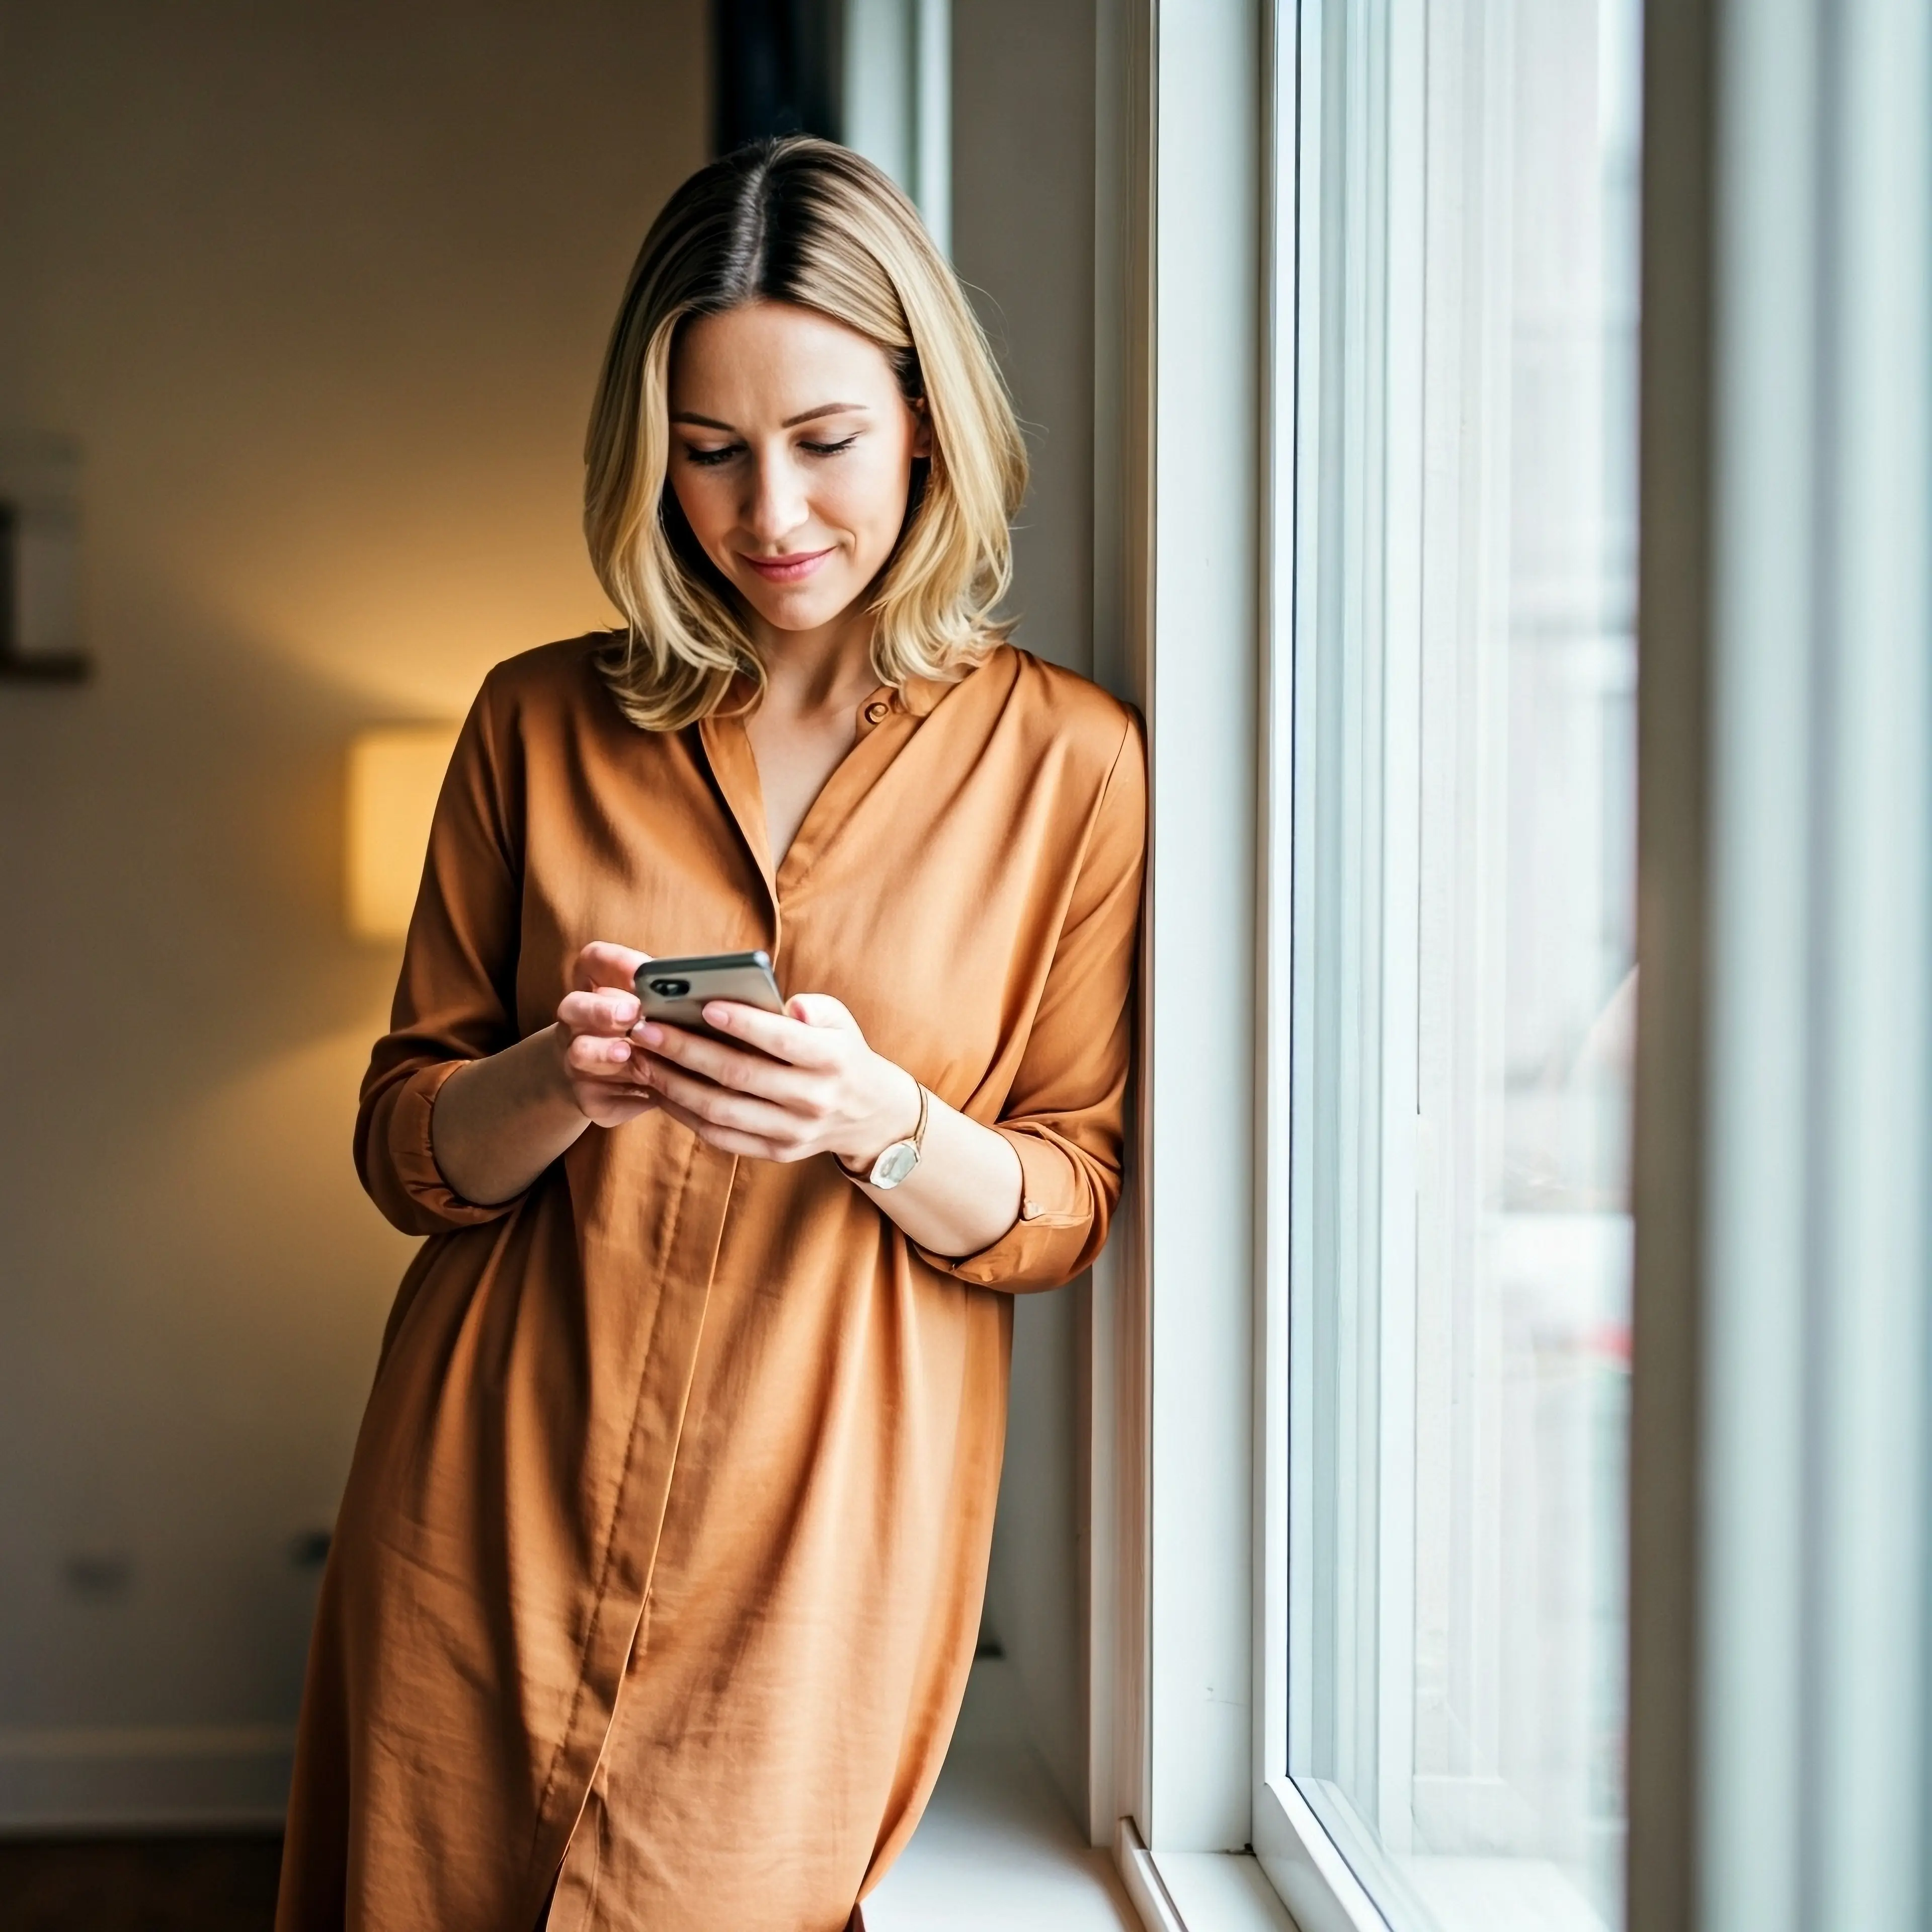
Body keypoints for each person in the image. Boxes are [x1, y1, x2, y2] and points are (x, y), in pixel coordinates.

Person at [275, 136, 1145, 1932]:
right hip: (479, 1512)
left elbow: (1063, 1204)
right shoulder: (536, 721)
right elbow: (402, 1145)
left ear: (924, 419)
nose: (772, 515)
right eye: (711, 451)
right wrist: (553, 1078)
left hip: (817, 1548)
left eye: (824, 442)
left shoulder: (1070, 767)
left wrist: (874, 1113)